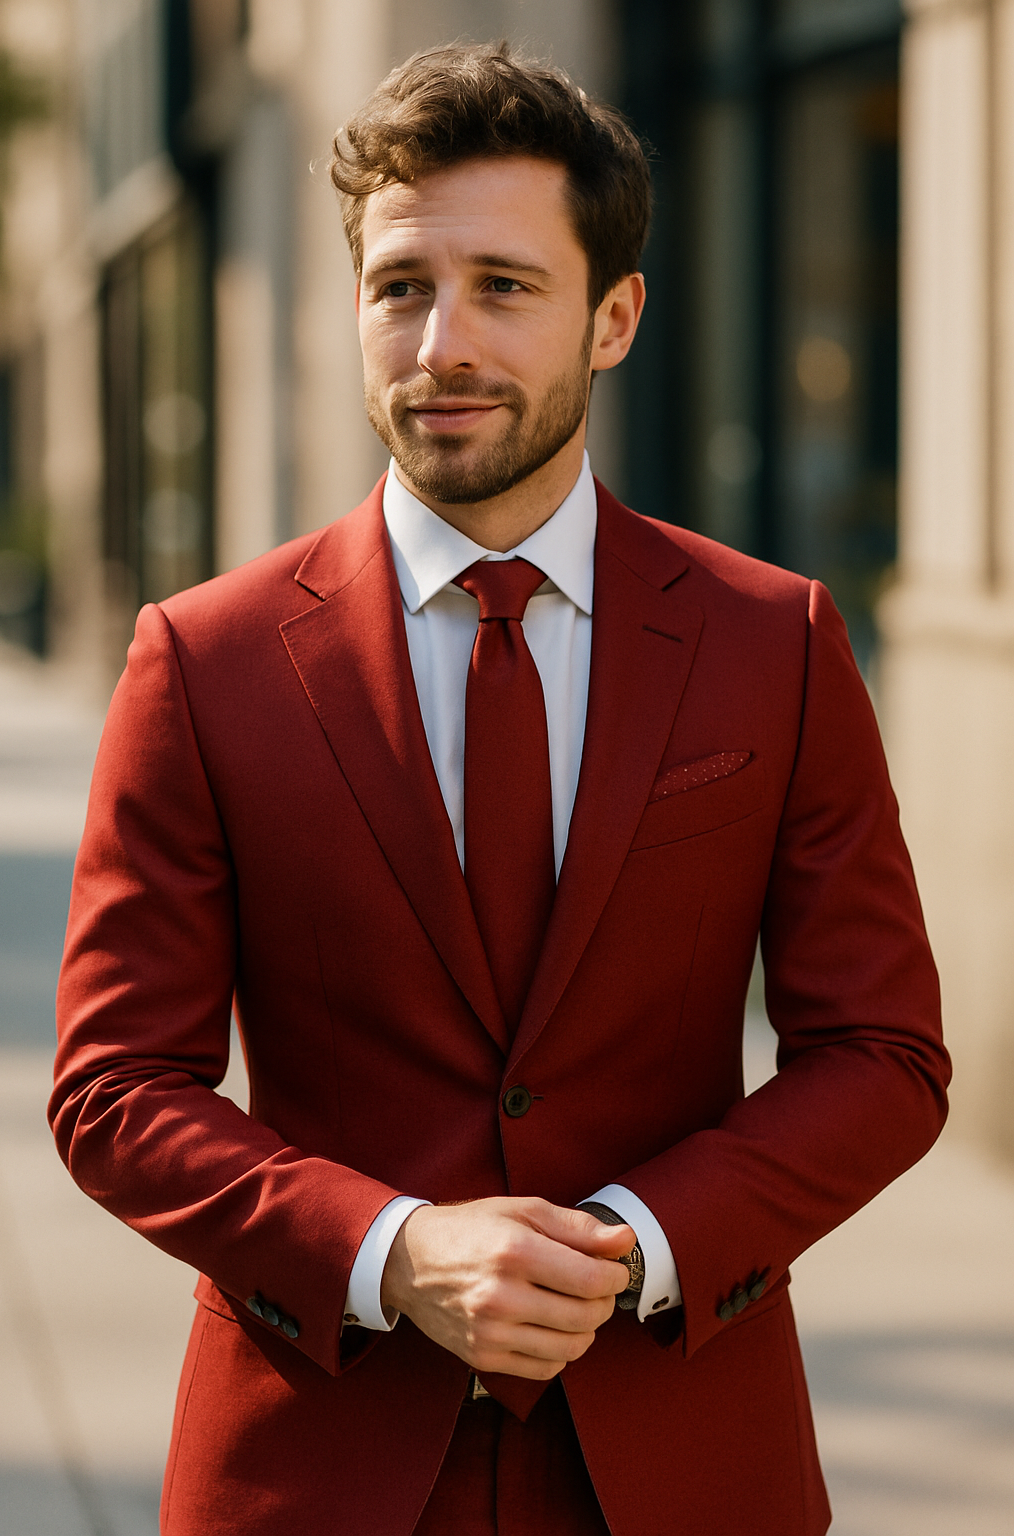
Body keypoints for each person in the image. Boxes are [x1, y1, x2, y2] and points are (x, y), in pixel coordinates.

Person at [50, 42, 950, 1536]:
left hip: (683, 1450)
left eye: (504, 288)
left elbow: (883, 1053)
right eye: (399, 286)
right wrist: (395, 1250)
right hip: (313, 1462)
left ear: (614, 318)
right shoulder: (201, 662)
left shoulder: (770, 643)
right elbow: (114, 1090)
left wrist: (632, 1242)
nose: (438, 344)